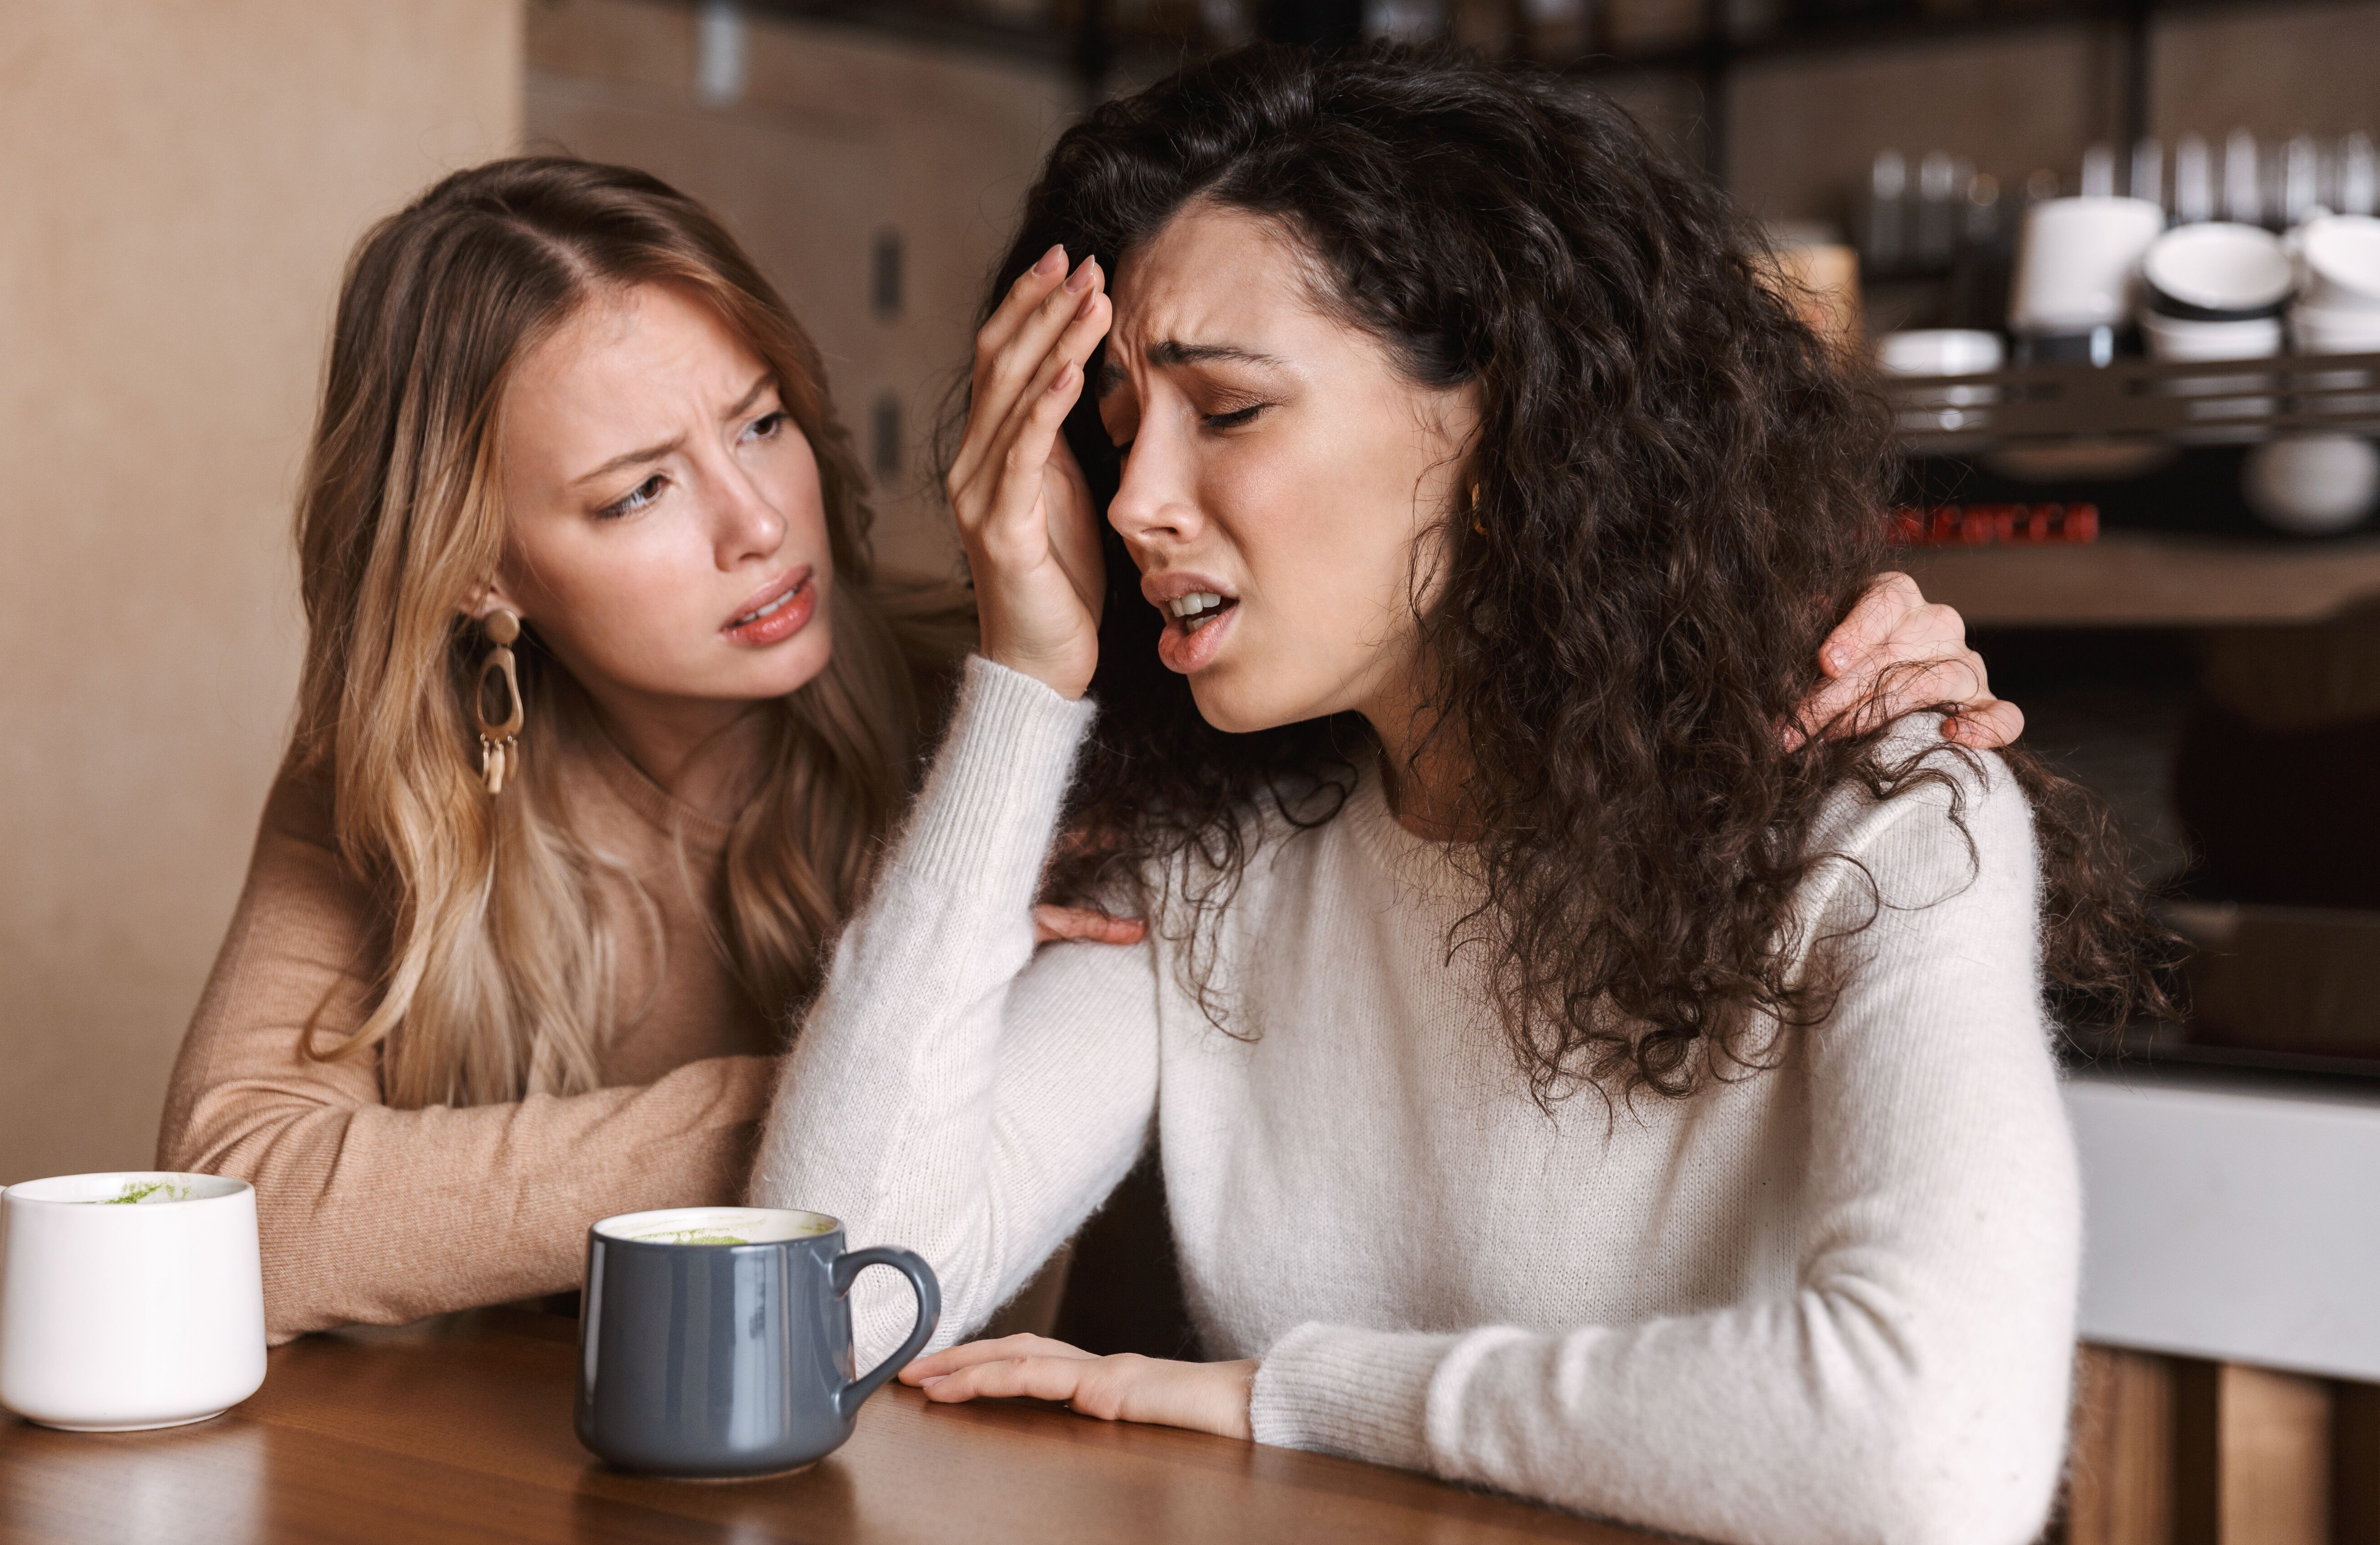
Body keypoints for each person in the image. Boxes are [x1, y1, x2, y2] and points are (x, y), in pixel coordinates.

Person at [158, 156, 2011, 1343]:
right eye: (643, 490)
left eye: (764, 424)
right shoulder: (394, 783)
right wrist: (808, 1101)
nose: (757, 525)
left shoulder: (1016, 711)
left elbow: (1444, 642)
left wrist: (1818, 633)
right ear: (480, 573)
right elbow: (240, 1216)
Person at [749, 49, 2163, 1545]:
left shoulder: (1881, 820)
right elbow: (821, 1314)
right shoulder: (1216, 869)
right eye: (1112, 427)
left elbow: (1930, 1462)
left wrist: (1294, 1397)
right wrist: (1027, 675)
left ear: (1502, 434)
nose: (1132, 500)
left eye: (1224, 412)